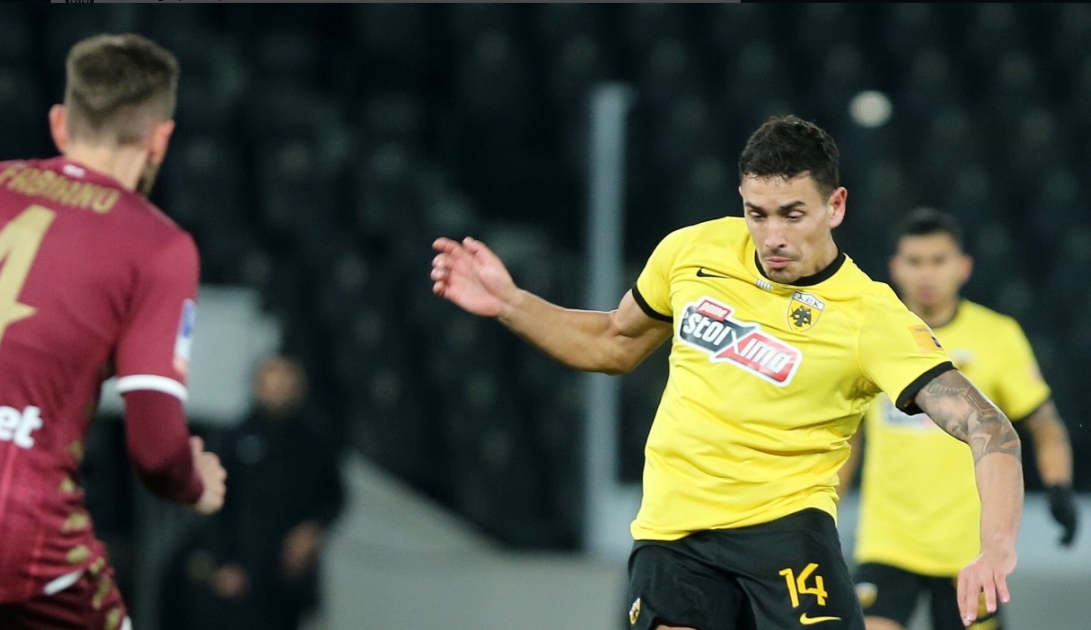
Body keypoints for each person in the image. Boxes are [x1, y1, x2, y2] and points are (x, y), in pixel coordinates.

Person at [430, 115, 1023, 630]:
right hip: (676, 530)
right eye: (756, 213)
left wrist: (994, 548)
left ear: (836, 206)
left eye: (793, 214)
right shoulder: (693, 252)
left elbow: (989, 428)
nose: (773, 237)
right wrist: (512, 304)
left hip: (787, 531)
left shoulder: (872, 316)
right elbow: (614, 342)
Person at [0, 34, 227, 630]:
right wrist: (194, 483)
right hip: (16, 532)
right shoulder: (159, 248)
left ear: (59, 123)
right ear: (160, 138)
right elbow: (156, 451)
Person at [838, 208, 1078, 630]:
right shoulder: (873, 336)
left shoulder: (998, 335)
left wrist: (1059, 487)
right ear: (895, 268)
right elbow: (848, 433)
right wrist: (825, 506)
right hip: (888, 542)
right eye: (915, 261)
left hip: (970, 549)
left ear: (963, 267)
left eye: (938, 260)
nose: (926, 274)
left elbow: (1044, 424)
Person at [176, 355, 344, 630]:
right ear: (258, 386)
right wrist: (223, 561)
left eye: (287, 383)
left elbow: (334, 496)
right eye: (274, 383)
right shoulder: (236, 437)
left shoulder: (315, 439)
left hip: (290, 576)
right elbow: (215, 504)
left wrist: (313, 529)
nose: (280, 390)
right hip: (243, 569)